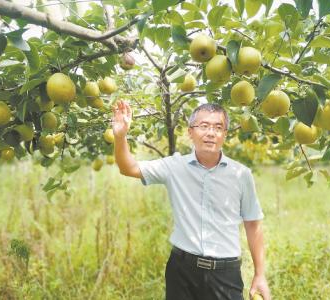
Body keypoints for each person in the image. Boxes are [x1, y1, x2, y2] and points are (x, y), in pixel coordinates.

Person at [111, 100, 271, 300]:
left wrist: (260, 274)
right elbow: (128, 168)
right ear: (190, 132)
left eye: (218, 127)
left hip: (225, 273)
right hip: (182, 270)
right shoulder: (174, 166)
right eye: (204, 126)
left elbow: (253, 225)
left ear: (225, 135)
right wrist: (120, 136)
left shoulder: (241, 174)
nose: (211, 133)